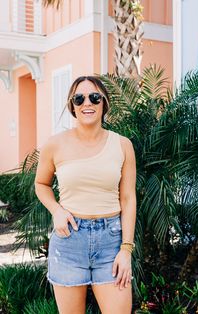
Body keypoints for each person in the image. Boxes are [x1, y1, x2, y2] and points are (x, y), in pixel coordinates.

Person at [34, 75, 137, 314]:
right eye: (79, 98)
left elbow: (128, 198)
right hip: (69, 241)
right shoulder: (54, 145)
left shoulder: (123, 145)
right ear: (72, 106)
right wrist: (57, 210)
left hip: (111, 242)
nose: (87, 103)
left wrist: (126, 249)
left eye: (94, 97)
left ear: (104, 103)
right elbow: (41, 184)